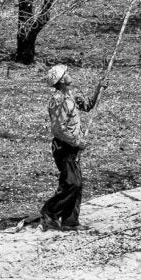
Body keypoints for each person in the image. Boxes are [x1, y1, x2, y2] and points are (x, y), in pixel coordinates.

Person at [39, 64, 101, 231]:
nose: (69, 74)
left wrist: (98, 89)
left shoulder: (70, 95)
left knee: (74, 184)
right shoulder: (57, 100)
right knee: (73, 183)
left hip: (72, 147)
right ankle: (49, 213)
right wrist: (76, 142)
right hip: (64, 147)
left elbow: (87, 106)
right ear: (61, 80)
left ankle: (70, 221)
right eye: (66, 73)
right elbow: (58, 129)